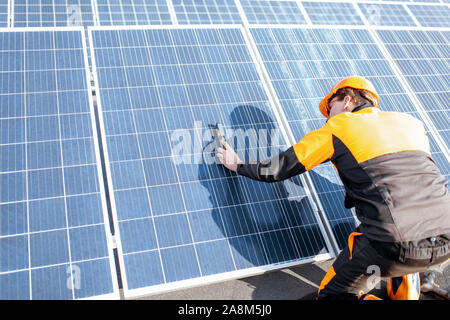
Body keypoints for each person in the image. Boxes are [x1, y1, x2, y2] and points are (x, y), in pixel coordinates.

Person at [216, 76, 450, 300]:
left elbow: (279, 168)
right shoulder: (411, 123)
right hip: (446, 239)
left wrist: (237, 164)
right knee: (406, 225)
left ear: (347, 100)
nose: (328, 116)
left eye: (330, 108)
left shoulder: (338, 126)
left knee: (333, 295)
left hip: (393, 246)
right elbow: (415, 184)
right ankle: (412, 286)